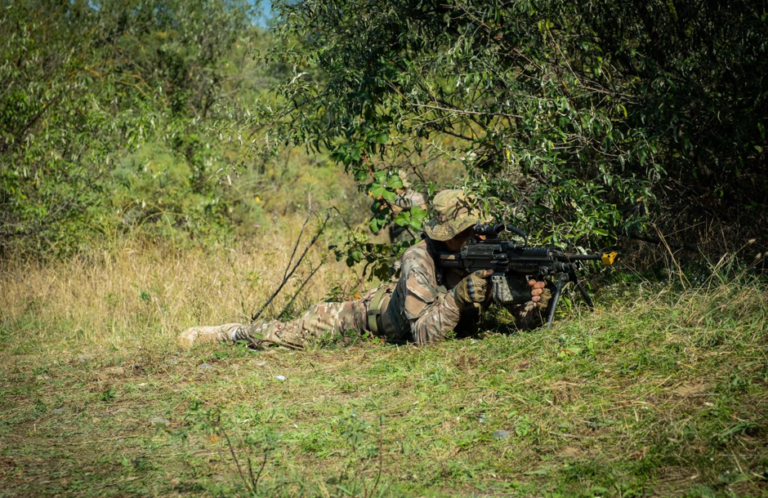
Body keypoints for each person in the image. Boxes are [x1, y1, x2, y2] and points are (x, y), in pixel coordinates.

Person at [178, 190, 551, 349]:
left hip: (399, 317)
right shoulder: (418, 258)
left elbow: (529, 322)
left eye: (476, 230)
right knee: (283, 335)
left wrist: (535, 301)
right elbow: (420, 337)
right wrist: (457, 297)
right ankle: (229, 333)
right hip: (357, 318)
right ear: (446, 235)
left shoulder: (485, 254)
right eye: (464, 231)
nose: (474, 237)